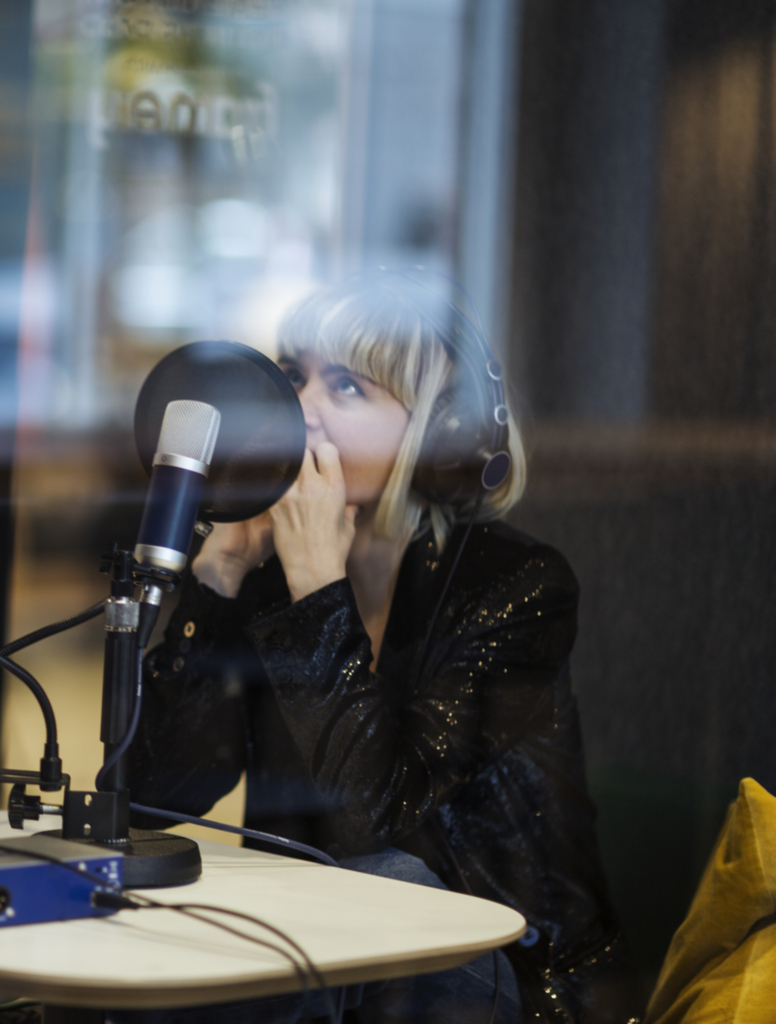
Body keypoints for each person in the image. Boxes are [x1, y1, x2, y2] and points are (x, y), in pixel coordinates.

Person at [127, 278, 638, 1023]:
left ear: (437, 432)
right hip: (317, 950)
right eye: (294, 374)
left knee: (392, 877)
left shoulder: (515, 586)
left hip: (503, 971)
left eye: (345, 386)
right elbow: (160, 795)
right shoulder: (268, 580)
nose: (299, 407)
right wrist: (219, 578)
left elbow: (375, 820)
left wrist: (315, 589)